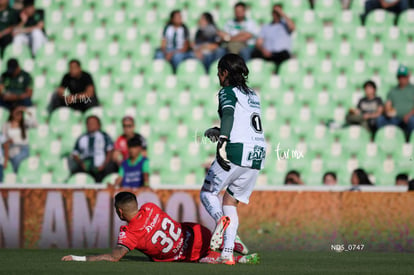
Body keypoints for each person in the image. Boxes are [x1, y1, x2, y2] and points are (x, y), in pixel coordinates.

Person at [61, 192, 259, 264]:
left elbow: (114, 257)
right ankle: (230, 243)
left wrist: (80, 258)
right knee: (201, 246)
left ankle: (231, 253)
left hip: (189, 253)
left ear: (120, 212)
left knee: (200, 257)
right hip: (198, 232)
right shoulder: (150, 207)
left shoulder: (129, 233)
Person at [201, 53, 266, 264]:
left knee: (208, 193)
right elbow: (243, 124)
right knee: (230, 201)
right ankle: (227, 253)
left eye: (219, 72)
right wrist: (219, 130)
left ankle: (221, 222)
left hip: (236, 150)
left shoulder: (226, 91)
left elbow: (228, 115)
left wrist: (222, 140)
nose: (218, 77)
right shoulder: (253, 95)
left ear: (225, 72)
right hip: (257, 154)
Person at [70, 115, 116, 183]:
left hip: (101, 167)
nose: (90, 125)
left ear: (99, 125)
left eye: (93, 123)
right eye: (88, 123)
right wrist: (81, 163)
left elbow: (110, 150)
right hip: (86, 167)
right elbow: (75, 153)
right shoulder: (82, 138)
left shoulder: (104, 136)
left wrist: (104, 164)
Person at [252, 3, 295, 73]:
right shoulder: (266, 27)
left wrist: (281, 13)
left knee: (284, 54)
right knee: (255, 53)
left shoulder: (285, 25)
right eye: (274, 12)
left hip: (282, 54)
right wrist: (263, 50)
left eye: (278, 12)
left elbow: (292, 27)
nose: (276, 14)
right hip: (269, 53)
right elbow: (258, 43)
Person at [376, 65, 414, 141]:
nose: (402, 79)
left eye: (404, 76)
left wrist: (409, 115)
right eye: (400, 76)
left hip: (410, 116)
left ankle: (409, 140)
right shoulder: (393, 91)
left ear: (408, 77)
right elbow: (388, 104)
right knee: (380, 120)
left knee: (412, 121)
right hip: (395, 117)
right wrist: (387, 111)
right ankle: (383, 140)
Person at [2, 105, 36, 173]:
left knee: (17, 159)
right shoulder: (6, 125)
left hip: (22, 148)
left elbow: (35, 124)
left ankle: (16, 174)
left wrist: (26, 110)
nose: (19, 115)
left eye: (20, 113)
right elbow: (4, 138)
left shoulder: (25, 123)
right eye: (17, 113)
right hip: (10, 147)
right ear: (12, 113)